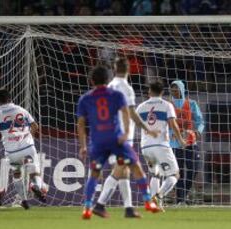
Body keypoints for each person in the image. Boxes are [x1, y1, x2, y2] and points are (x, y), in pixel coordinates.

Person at [77, 65, 160, 220]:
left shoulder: (85, 99)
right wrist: (127, 133)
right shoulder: (117, 95)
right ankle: (148, 201)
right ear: (107, 79)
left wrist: (83, 146)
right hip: (116, 139)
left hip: (98, 141)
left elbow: (81, 124)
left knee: (95, 173)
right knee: (135, 166)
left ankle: (88, 208)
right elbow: (127, 114)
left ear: (91, 81)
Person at [0, 88, 46, 210]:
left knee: (16, 174)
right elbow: (35, 126)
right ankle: (34, 185)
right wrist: (28, 136)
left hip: (12, 152)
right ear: (10, 99)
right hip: (27, 148)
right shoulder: (22, 110)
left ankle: (23, 200)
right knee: (34, 171)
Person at [136, 81, 187, 211]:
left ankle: (154, 204)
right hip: (161, 145)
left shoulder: (141, 106)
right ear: (163, 92)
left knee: (155, 175)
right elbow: (173, 124)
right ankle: (159, 196)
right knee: (175, 175)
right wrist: (181, 140)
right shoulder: (167, 105)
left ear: (149, 91)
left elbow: (136, 124)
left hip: (145, 147)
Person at [169, 80, 204, 205]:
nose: (174, 91)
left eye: (176, 88)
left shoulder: (192, 104)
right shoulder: (169, 105)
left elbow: (200, 121)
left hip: (190, 142)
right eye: (172, 89)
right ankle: (181, 201)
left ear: (182, 89)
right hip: (174, 143)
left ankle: (184, 195)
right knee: (178, 172)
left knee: (194, 169)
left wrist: (198, 131)